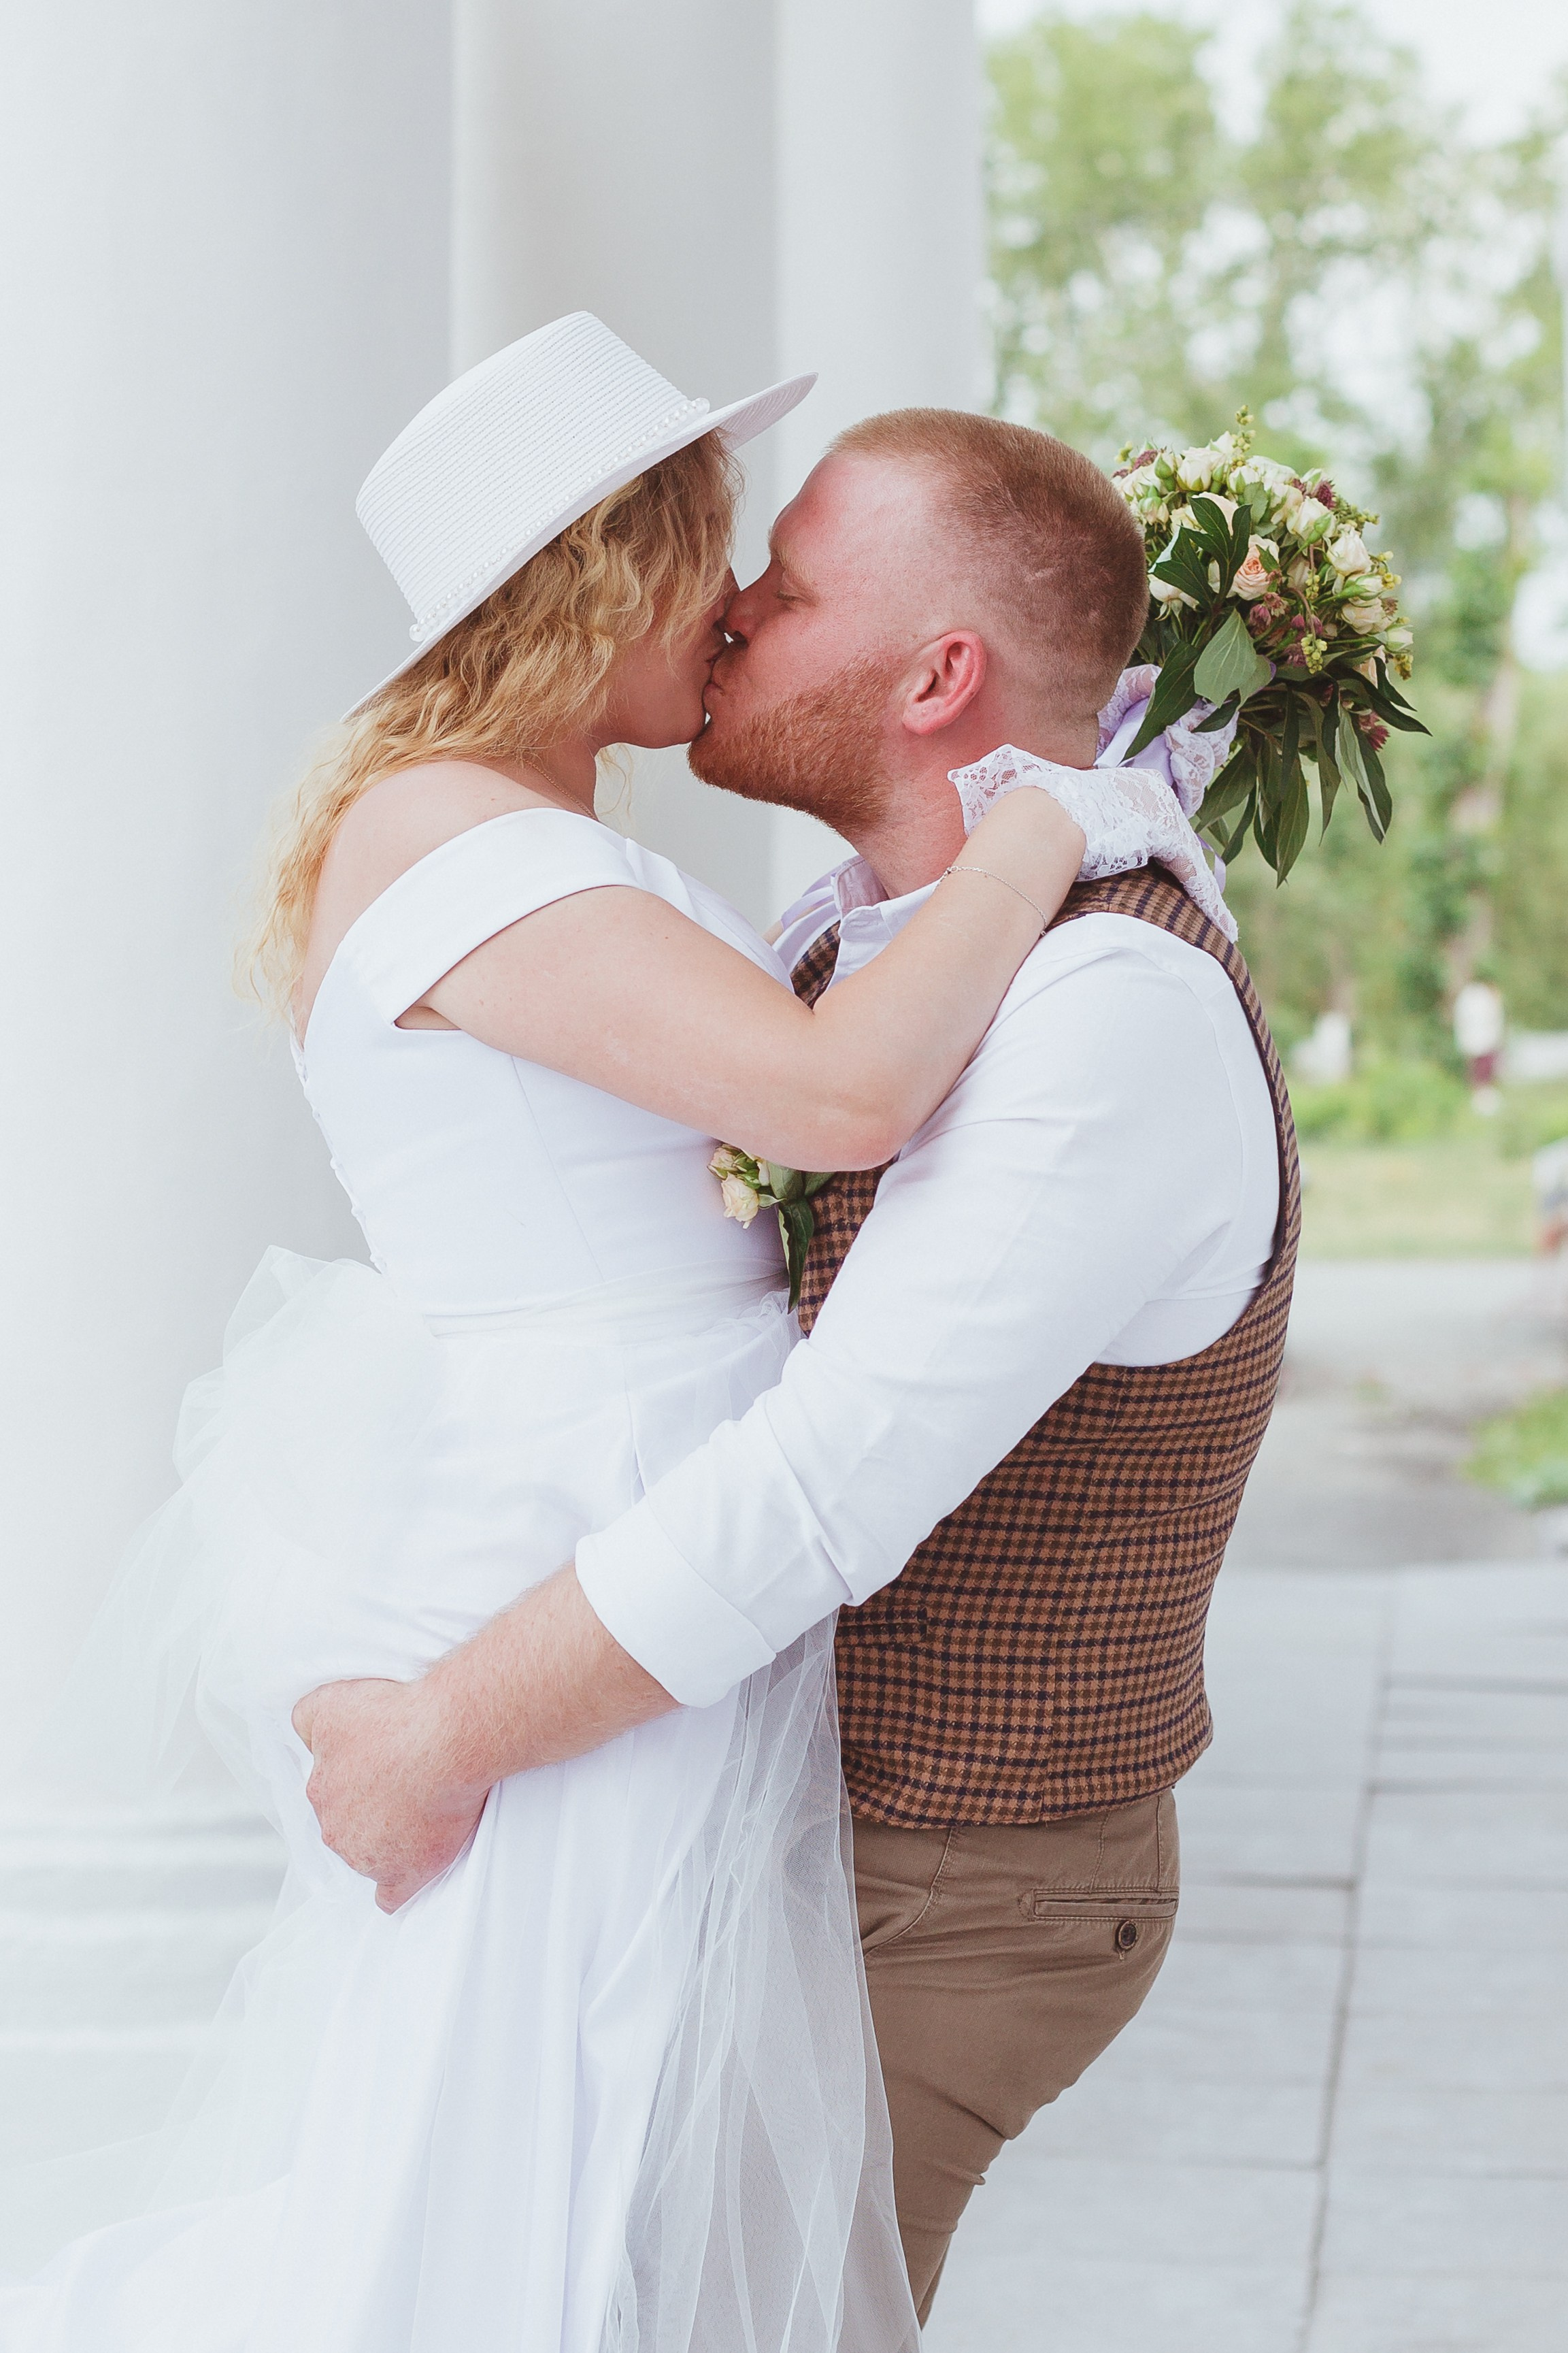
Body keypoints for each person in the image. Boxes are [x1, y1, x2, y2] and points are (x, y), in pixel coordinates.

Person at [0, 316, 1205, 2353]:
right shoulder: (446, 829)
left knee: (602, 2112)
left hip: (632, 1484)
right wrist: (1046, 827)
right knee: (529, 2120)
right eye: (709, 555)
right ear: (600, 574)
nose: (733, 603)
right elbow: (837, 1097)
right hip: (581, 1497)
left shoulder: (502, 826)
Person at [295, 404, 1301, 2325]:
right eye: (725, 560)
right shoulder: (850, 947)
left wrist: (447, 1735)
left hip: (945, 1866)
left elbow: (822, 1475)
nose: (741, 606)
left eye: (789, 579)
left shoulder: (1104, 1004)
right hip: (744, 1783)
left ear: (934, 677)